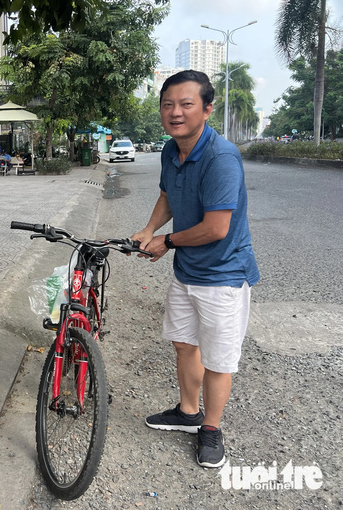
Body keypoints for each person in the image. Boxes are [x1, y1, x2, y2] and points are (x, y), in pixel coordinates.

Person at [130, 70, 259, 469]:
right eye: (168, 104)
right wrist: (149, 228)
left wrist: (166, 242)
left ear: (207, 108)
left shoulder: (221, 157)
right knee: (185, 344)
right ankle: (189, 414)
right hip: (188, 272)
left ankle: (211, 428)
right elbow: (169, 194)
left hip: (222, 275)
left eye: (186, 104)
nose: (175, 112)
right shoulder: (171, 150)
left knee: (219, 360)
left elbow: (217, 227)